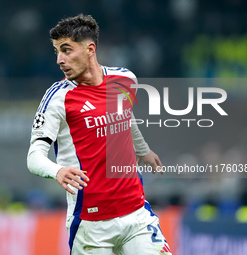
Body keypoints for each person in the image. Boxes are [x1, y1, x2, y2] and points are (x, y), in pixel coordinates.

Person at [27, 14, 172, 255]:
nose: (60, 60)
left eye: (66, 50)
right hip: (90, 225)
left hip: (136, 214)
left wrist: (143, 150)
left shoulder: (125, 79)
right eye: (57, 52)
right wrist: (57, 171)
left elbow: (125, 116)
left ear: (90, 49)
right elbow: (33, 156)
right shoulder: (57, 98)